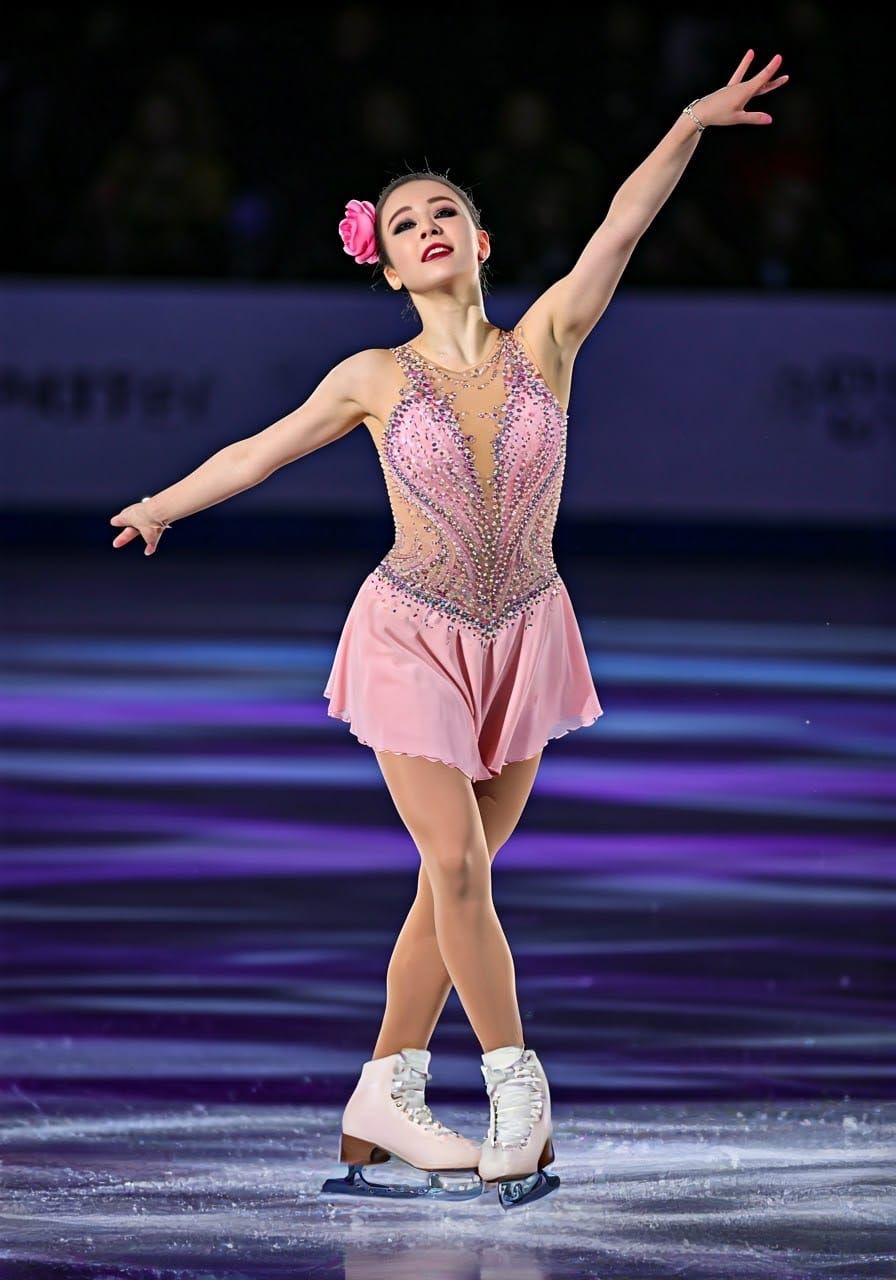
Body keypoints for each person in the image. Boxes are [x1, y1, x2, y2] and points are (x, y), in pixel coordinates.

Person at [109, 49, 789, 1210]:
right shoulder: (372, 373)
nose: (425, 225)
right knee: (459, 863)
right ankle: (516, 1087)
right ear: (385, 265)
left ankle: (383, 1086)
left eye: (444, 212)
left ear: (478, 242)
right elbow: (261, 448)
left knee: (446, 884)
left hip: (523, 633)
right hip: (411, 632)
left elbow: (620, 227)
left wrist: (683, 120)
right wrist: (163, 503)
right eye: (402, 220)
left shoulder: (547, 343)